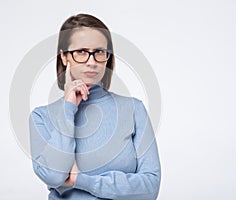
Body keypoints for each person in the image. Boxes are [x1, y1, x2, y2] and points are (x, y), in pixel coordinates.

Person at [29, 13, 161, 200]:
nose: (92, 62)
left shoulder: (133, 109)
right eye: (81, 52)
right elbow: (54, 175)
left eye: (99, 52)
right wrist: (68, 108)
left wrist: (81, 180)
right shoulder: (41, 117)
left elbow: (150, 188)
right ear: (64, 57)